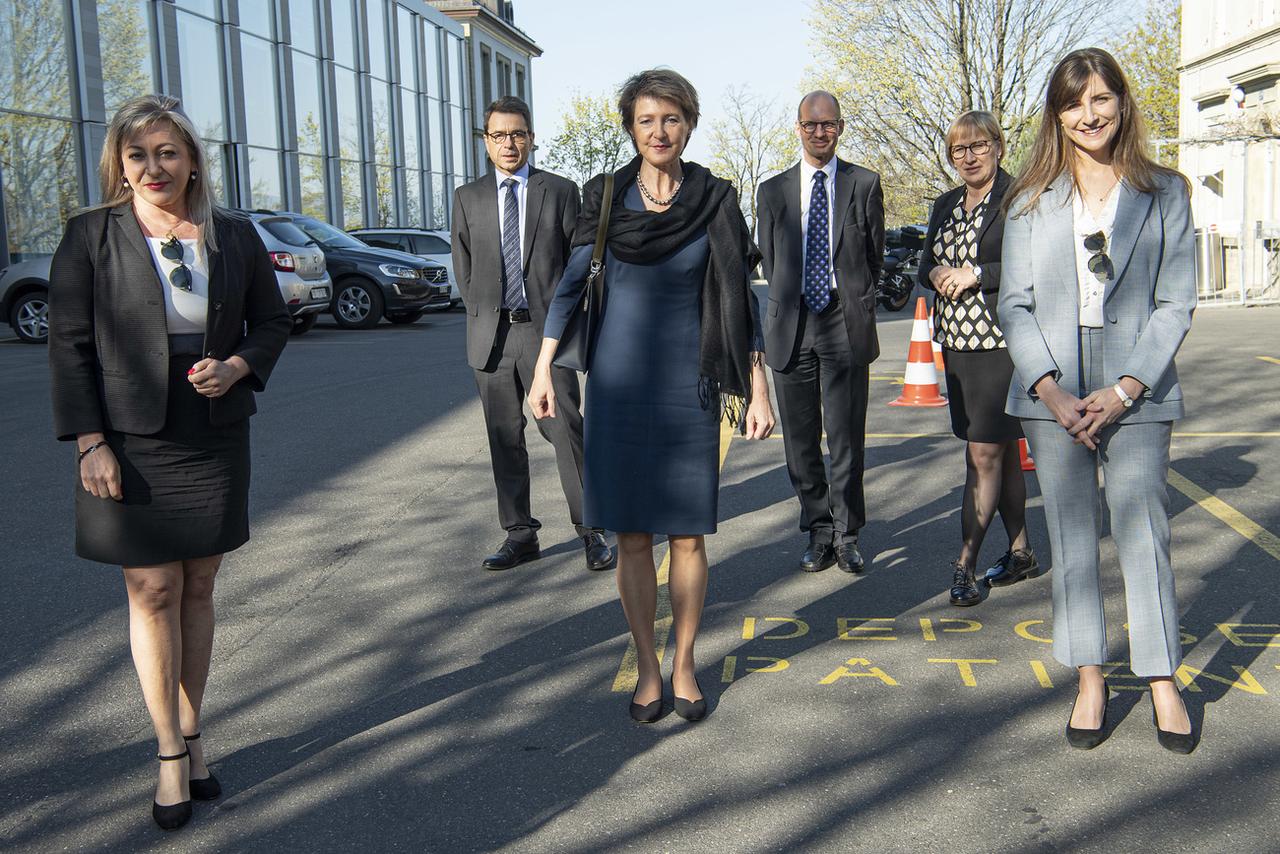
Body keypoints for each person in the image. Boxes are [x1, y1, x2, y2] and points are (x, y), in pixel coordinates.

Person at [47, 94, 291, 829]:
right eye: (138, 155)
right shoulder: (90, 236)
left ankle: (193, 729)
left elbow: (273, 320)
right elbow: (68, 343)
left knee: (199, 586)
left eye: (167, 153)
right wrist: (90, 442)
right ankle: (168, 755)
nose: (154, 167)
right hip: (126, 437)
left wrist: (241, 365)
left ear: (191, 160)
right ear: (119, 166)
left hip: (211, 426)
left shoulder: (232, 235)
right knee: (151, 590)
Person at [528, 69, 774, 723]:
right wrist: (542, 370)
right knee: (633, 537)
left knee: (687, 537)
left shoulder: (716, 199)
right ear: (630, 128)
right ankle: (646, 667)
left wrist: (758, 388)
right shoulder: (604, 197)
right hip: (616, 388)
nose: (658, 131)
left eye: (670, 119)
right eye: (645, 120)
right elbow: (570, 285)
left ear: (688, 124)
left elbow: (740, 301)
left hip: (689, 388)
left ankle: (686, 663)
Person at [999, 48, 1197, 753]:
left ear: (1122, 103)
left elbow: (1176, 301)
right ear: (1057, 114)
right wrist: (1049, 390)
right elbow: (1014, 306)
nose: (1090, 114)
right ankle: (1090, 677)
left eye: (1102, 98)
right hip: (1052, 388)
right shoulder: (1027, 198)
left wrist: (1125, 388)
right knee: (1074, 540)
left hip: (1136, 386)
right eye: (1075, 102)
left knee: (1145, 531)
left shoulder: (1166, 191)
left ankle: (1162, 679)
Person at [451, 96, 613, 572]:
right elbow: (465, 271)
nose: (509, 143)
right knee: (504, 438)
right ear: (485, 142)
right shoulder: (468, 197)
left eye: (517, 133)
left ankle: (591, 529)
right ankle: (520, 535)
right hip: (491, 339)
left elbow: (577, 268)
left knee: (565, 429)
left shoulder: (560, 191)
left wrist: (566, 330)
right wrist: (486, 316)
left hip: (547, 337)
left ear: (531, 137)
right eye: (498, 135)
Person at [756, 91, 884, 574]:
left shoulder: (864, 183)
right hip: (792, 325)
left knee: (846, 437)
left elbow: (872, 253)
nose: (819, 133)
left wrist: (858, 300)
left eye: (828, 125)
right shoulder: (772, 192)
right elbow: (770, 258)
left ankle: (849, 533)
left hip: (843, 322)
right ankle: (818, 528)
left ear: (841, 127)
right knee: (801, 442)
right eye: (811, 125)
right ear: (798, 128)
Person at [918, 111, 1039, 607]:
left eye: (978, 146)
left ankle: (965, 563)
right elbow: (924, 265)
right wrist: (939, 273)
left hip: (1001, 345)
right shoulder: (946, 204)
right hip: (958, 348)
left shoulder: (1019, 197)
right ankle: (1021, 551)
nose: (968, 157)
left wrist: (973, 274)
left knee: (983, 454)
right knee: (1002, 450)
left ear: (998, 147)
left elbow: (1027, 263)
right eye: (958, 150)